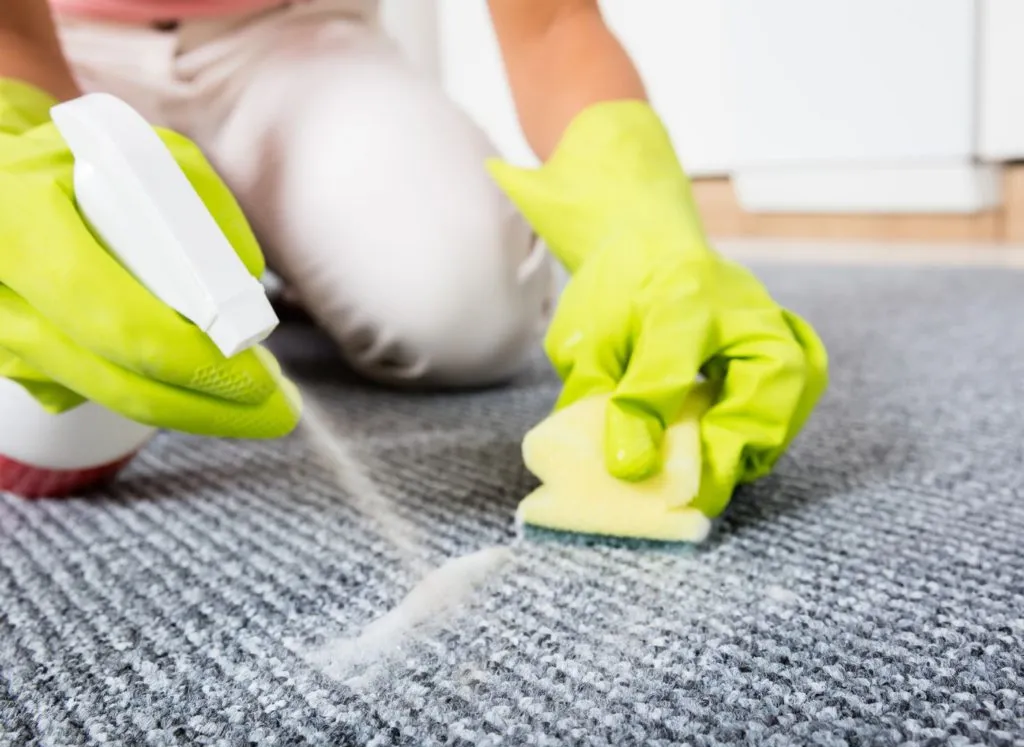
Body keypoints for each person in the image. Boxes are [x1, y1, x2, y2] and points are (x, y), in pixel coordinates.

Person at [0, 0, 828, 517]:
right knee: (50, 421)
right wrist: (21, 141)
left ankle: (284, 259)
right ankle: (271, 256)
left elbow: (551, 21)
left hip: (294, 38)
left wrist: (646, 226)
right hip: (48, 45)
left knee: (466, 310)